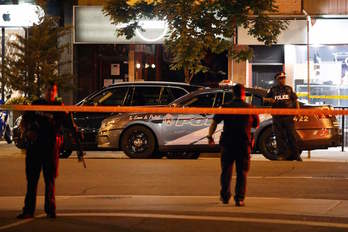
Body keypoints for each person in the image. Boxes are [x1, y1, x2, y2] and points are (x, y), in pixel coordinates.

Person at [17, 83, 80, 219]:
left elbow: (69, 124)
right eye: (48, 90)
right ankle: (28, 210)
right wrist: (27, 131)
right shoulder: (36, 103)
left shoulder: (59, 107)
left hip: (50, 148)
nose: (51, 92)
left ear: (56, 92)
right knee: (32, 181)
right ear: (44, 91)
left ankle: (50, 210)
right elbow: (25, 120)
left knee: (49, 180)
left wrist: (76, 133)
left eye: (53, 90)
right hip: (34, 147)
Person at [208, 83, 259, 206]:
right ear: (243, 94)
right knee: (242, 172)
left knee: (226, 171)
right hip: (243, 143)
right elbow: (256, 124)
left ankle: (225, 197)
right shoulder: (250, 108)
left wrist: (210, 136)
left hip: (227, 143)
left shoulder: (226, 107)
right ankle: (239, 199)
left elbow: (214, 123)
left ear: (233, 93)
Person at [263, 72, 302, 161]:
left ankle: (296, 155)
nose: (283, 80)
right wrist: (269, 100)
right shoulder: (272, 90)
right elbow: (265, 100)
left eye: (284, 78)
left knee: (292, 136)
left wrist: (298, 112)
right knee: (279, 136)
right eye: (280, 78)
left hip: (288, 117)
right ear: (277, 79)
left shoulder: (289, 89)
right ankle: (282, 155)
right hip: (277, 117)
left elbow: (295, 100)